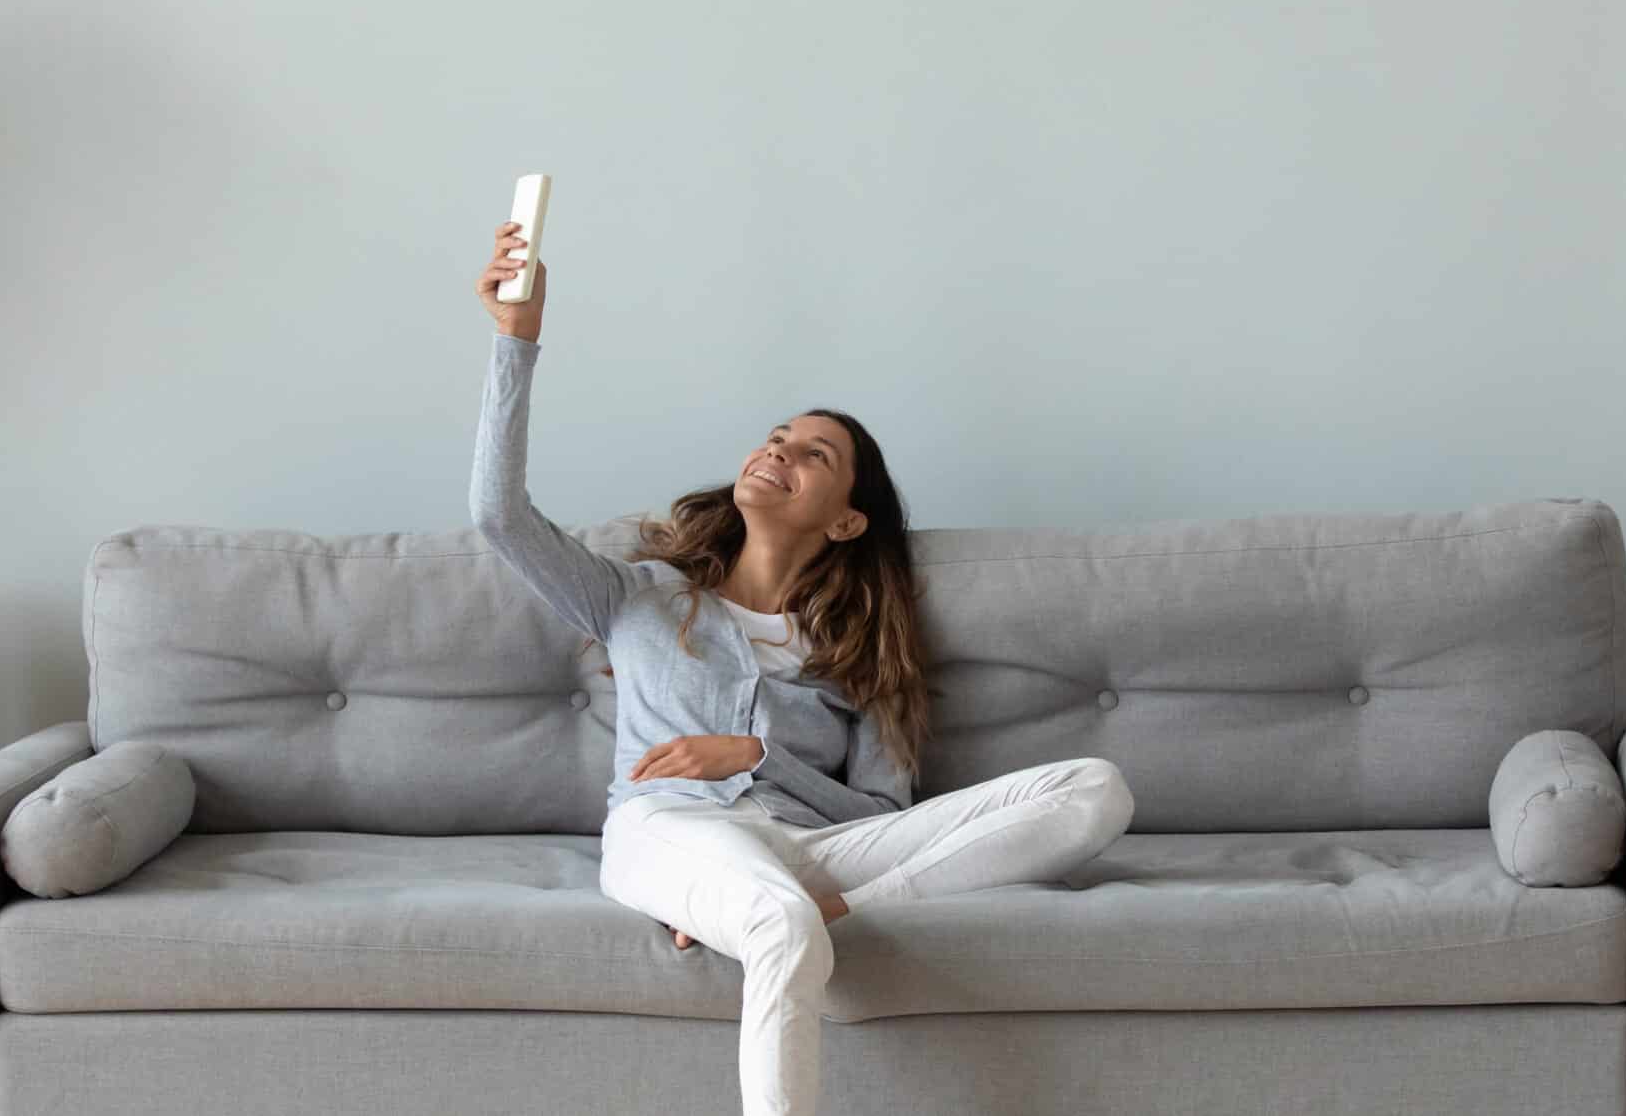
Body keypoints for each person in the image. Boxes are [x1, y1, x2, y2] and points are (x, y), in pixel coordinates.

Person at [469, 218, 1136, 1116]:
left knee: (1095, 788)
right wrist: (517, 340)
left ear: (848, 520)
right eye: (777, 436)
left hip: (828, 858)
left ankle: (839, 909)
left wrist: (756, 759)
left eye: (813, 453)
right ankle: (787, 910)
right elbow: (498, 516)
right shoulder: (638, 595)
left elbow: (886, 814)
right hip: (672, 824)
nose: (777, 449)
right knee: (775, 915)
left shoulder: (858, 655)